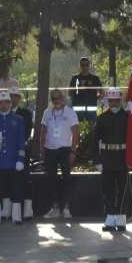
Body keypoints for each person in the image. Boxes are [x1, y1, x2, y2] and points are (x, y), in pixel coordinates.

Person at [0, 91, 26, 225]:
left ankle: (16, 217)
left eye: (6, 102)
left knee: (16, 189)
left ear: (10, 103)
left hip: (14, 162)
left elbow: (21, 141)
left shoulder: (18, 119)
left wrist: (20, 160)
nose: (4, 105)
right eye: (1, 103)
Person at [93, 87, 129, 232]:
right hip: (107, 157)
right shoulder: (101, 118)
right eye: (111, 100)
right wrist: (97, 160)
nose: (114, 103)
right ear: (108, 101)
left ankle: (120, 219)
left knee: (122, 190)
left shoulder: (127, 117)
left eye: (116, 100)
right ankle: (109, 218)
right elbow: (95, 141)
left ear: (120, 100)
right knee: (107, 190)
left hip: (122, 157)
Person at [39, 89, 79, 218]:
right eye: (54, 98)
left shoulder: (70, 112)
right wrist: (42, 150)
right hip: (50, 149)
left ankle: (66, 207)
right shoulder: (47, 112)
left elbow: (75, 132)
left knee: (66, 178)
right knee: (51, 179)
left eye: (58, 98)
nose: (56, 101)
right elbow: (43, 132)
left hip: (65, 149)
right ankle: (54, 207)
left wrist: (73, 150)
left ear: (63, 98)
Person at [10, 87, 35, 219]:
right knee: (10, 179)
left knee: (25, 179)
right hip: (7, 153)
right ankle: (10, 211)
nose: (13, 99)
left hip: (22, 151)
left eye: (15, 96)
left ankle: (27, 210)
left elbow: (26, 132)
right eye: (11, 96)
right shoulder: (2, 113)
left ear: (19, 98)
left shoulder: (26, 113)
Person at [69, 57, 102, 121]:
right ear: (80, 66)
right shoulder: (74, 78)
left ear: (89, 66)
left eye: (86, 65)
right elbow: (69, 93)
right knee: (77, 128)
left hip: (91, 109)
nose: (84, 67)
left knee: (93, 129)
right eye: (82, 65)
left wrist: (96, 98)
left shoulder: (95, 78)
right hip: (77, 109)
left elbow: (102, 92)